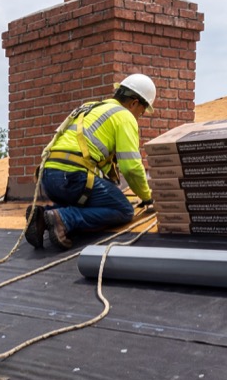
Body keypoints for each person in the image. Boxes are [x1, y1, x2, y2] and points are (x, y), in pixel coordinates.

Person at [25, 74, 156, 250]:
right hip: (72, 178)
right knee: (123, 209)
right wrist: (147, 196)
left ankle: (44, 216)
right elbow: (131, 168)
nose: (140, 116)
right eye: (141, 111)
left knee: (83, 202)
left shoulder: (90, 107)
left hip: (48, 177)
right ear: (134, 103)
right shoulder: (124, 116)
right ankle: (63, 219)